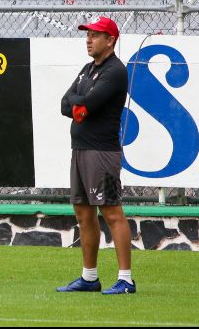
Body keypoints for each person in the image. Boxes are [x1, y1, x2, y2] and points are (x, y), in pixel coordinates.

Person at [58, 16, 136, 295]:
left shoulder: (115, 71)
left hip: (102, 152)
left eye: (95, 35)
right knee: (83, 212)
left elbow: (86, 105)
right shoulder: (88, 69)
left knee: (112, 211)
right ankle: (89, 277)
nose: (88, 40)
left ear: (110, 40)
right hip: (80, 149)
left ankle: (126, 279)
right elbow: (65, 104)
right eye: (87, 34)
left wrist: (80, 103)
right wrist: (79, 104)